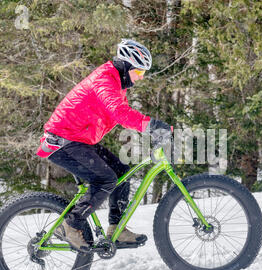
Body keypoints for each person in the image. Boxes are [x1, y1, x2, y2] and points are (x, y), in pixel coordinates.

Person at [36, 39, 171, 252]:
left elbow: (120, 115)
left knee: (121, 172)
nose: (140, 78)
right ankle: (70, 225)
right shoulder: (105, 80)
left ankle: (117, 229)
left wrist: (148, 129)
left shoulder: (115, 83)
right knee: (105, 179)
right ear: (126, 66)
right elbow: (120, 113)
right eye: (139, 72)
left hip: (78, 139)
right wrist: (152, 125)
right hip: (63, 140)